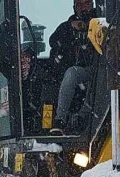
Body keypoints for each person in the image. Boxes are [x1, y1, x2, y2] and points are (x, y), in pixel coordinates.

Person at [49, 0, 97, 135]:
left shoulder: (102, 22)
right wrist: (70, 27)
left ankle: (83, 116)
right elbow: (53, 40)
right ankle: (60, 121)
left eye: (87, 3)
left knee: (100, 75)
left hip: (104, 68)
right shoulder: (68, 27)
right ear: (74, 8)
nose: (84, 8)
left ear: (93, 5)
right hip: (83, 71)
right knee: (72, 73)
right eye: (79, 5)